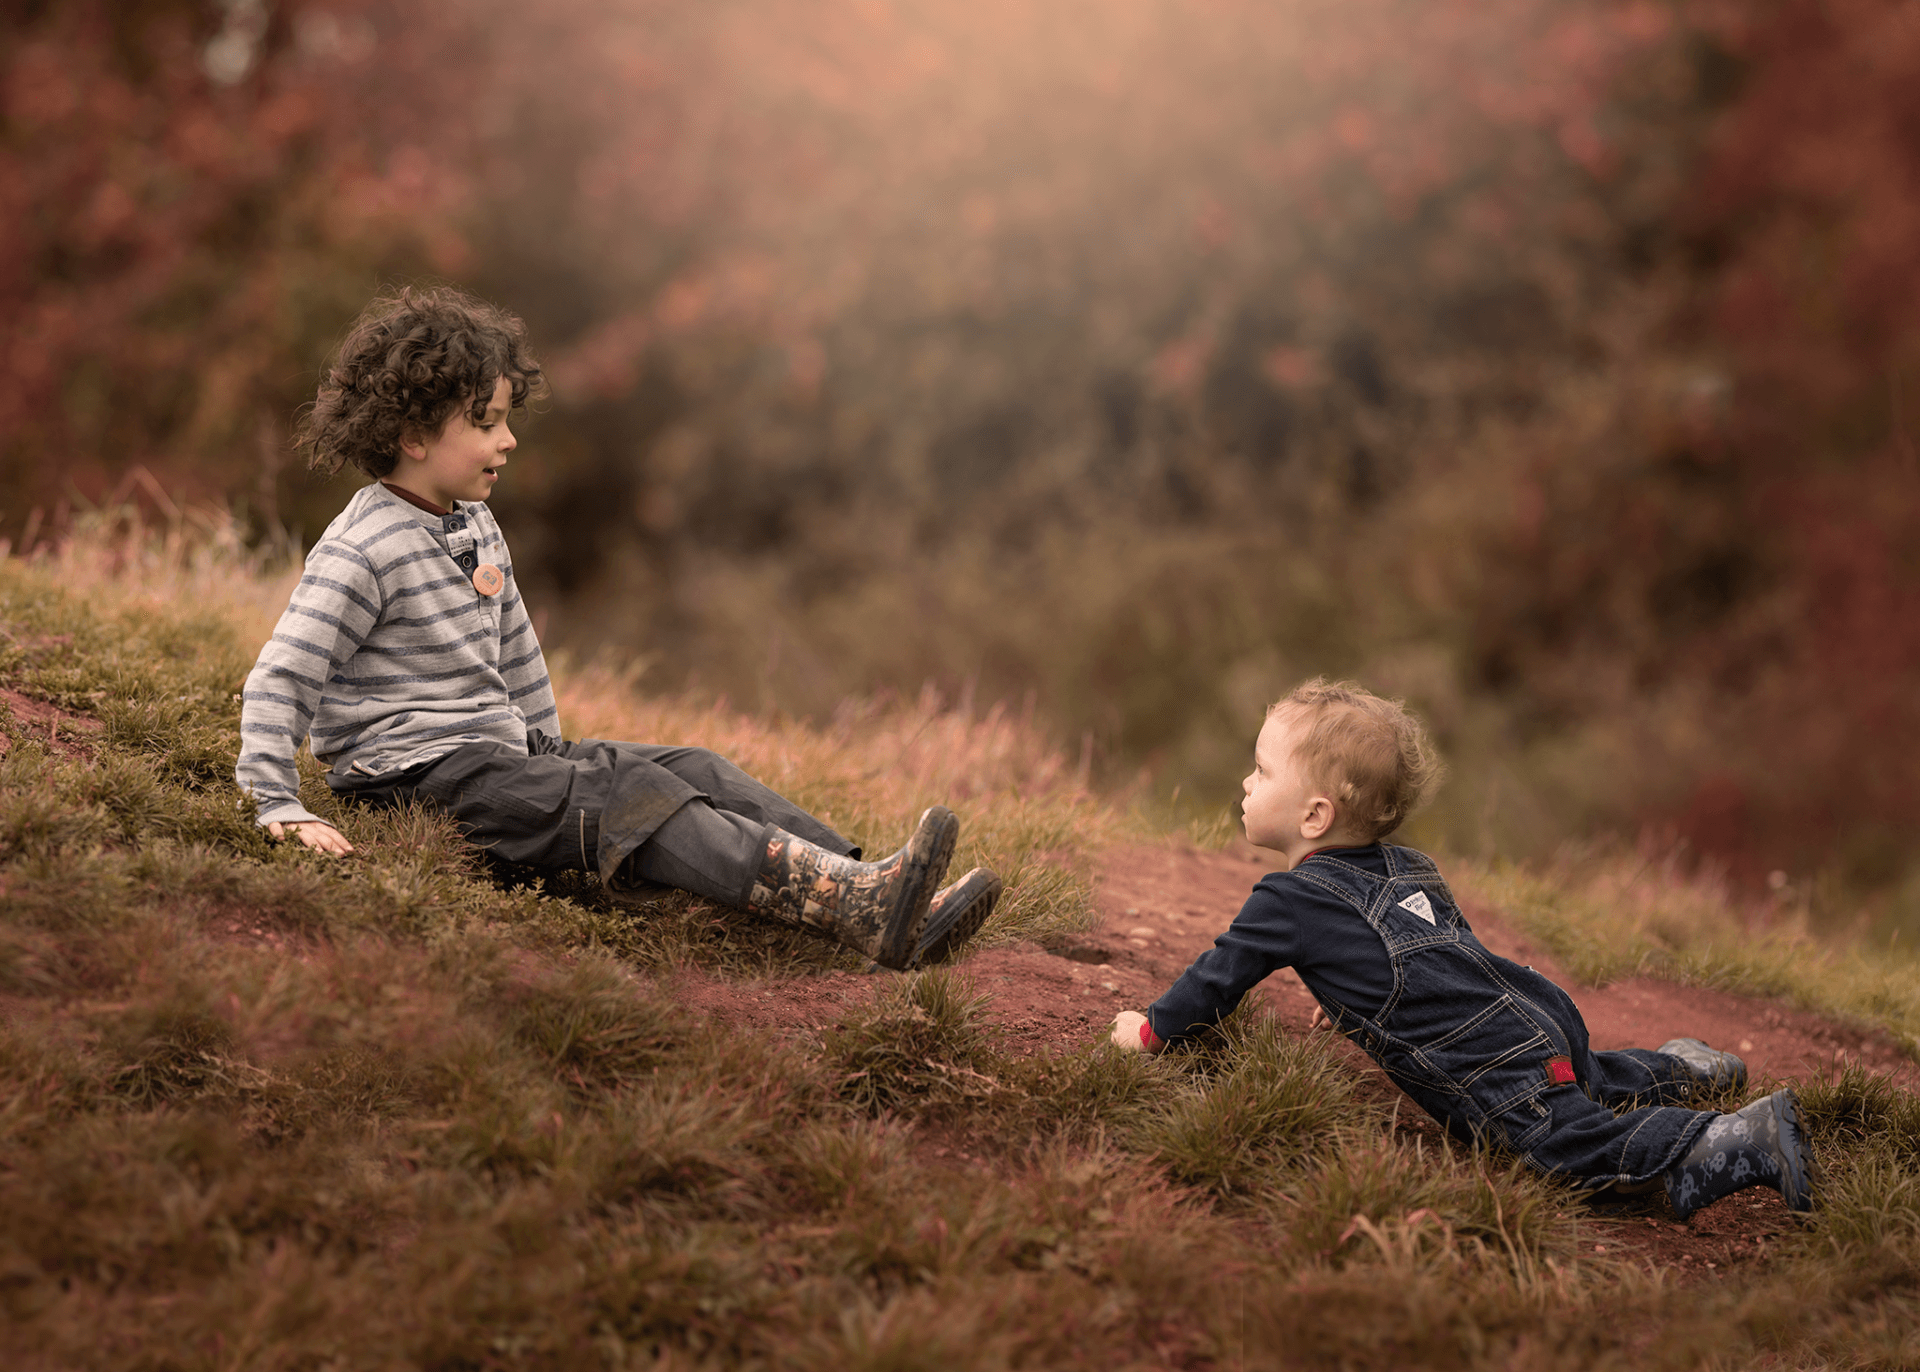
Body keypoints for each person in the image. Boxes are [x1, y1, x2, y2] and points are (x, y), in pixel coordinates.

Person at [235, 285, 1000, 970]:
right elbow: (283, 676)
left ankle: (875, 890)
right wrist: (278, 804)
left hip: (498, 763)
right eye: (487, 423)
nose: (507, 441)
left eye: (506, 421)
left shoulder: (472, 520)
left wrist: (546, 747)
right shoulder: (362, 548)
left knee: (692, 767)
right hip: (417, 780)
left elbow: (516, 651)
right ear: (414, 433)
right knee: (629, 796)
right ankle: (850, 904)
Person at [1109, 679, 1816, 1222]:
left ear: (1314, 815)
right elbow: (1428, 954)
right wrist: (1350, 998)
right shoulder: (1410, 866)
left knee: (1560, 1145)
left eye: (1260, 771)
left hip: (1493, 1062)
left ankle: (1727, 1139)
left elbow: (1216, 978)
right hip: (1533, 1010)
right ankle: (1682, 1067)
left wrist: (1151, 1030)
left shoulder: (1286, 900)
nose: (1245, 782)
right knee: (1583, 1073)